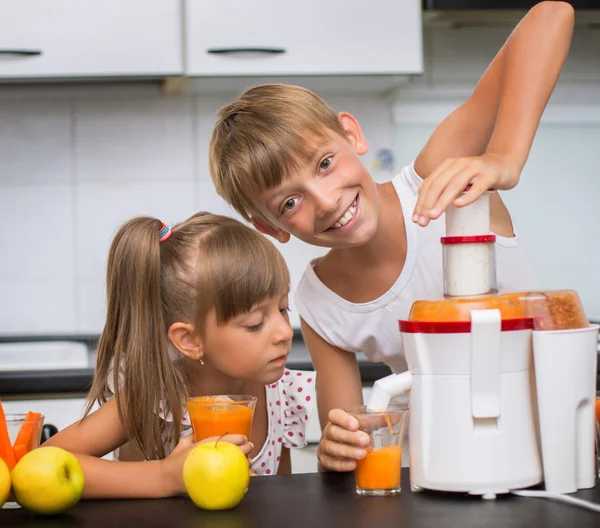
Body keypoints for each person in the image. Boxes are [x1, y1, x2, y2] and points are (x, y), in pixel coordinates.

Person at [207, 2, 575, 473]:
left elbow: (551, 14)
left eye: (324, 163)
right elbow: (350, 437)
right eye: (290, 203)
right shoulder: (320, 300)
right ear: (271, 229)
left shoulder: (436, 179)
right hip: (444, 469)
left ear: (351, 134)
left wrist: (504, 156)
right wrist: (337, 449)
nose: (325, 200)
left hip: (554, 448)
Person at [44, 213, 315, 498]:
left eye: (283, 308)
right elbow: (45, 462)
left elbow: (281, 500)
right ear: (190, 340)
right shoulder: (154, 399)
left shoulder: (280, 396)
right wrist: (165, 476)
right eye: (256, 324)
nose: (285, 332)